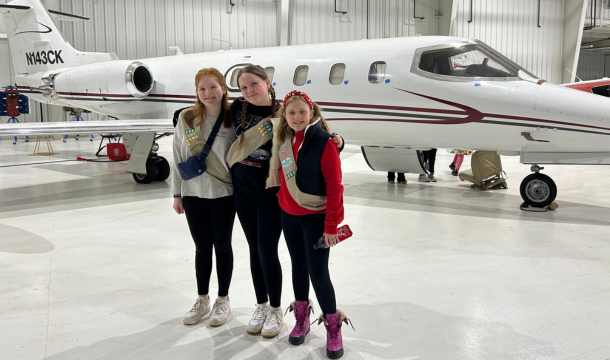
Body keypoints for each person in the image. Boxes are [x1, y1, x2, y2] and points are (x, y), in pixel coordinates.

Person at [225, 65, 344, 338]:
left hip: (277, 199)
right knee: (262, 253)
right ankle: (265, 306)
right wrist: (183, 115)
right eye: (243, 87)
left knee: (287, 259)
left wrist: (338, 142)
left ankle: (283, 310)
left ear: (267, 83)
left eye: (254, 84)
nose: (249, 90)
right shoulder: (237, 108)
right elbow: (213, 115)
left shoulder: (283, 116)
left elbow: (325, 151)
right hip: (253, 195)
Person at [272, 90, 351, 359]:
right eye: (291, 112)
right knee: (298, 266)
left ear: (313, 113)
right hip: (289, 215)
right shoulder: (284, 139)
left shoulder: (323, 142)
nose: (297, 117)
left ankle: (332, 325)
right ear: (284, 115)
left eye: (302, 112)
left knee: (319, 273)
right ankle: (302, 316)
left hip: (316, 219)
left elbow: (335, 186)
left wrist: (332, 225)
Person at [171, 68, 236, 327]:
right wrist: (177, 194)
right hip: (193, 193)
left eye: (213, 87)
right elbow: (177, 155)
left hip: (224, 193)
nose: (208, 93)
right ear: (196, 92)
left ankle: (223, 300)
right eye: (202, 89)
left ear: (223, 88)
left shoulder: (233, 119)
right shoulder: (187, 118)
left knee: (222, 246)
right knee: (201, 248)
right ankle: (202, 299)